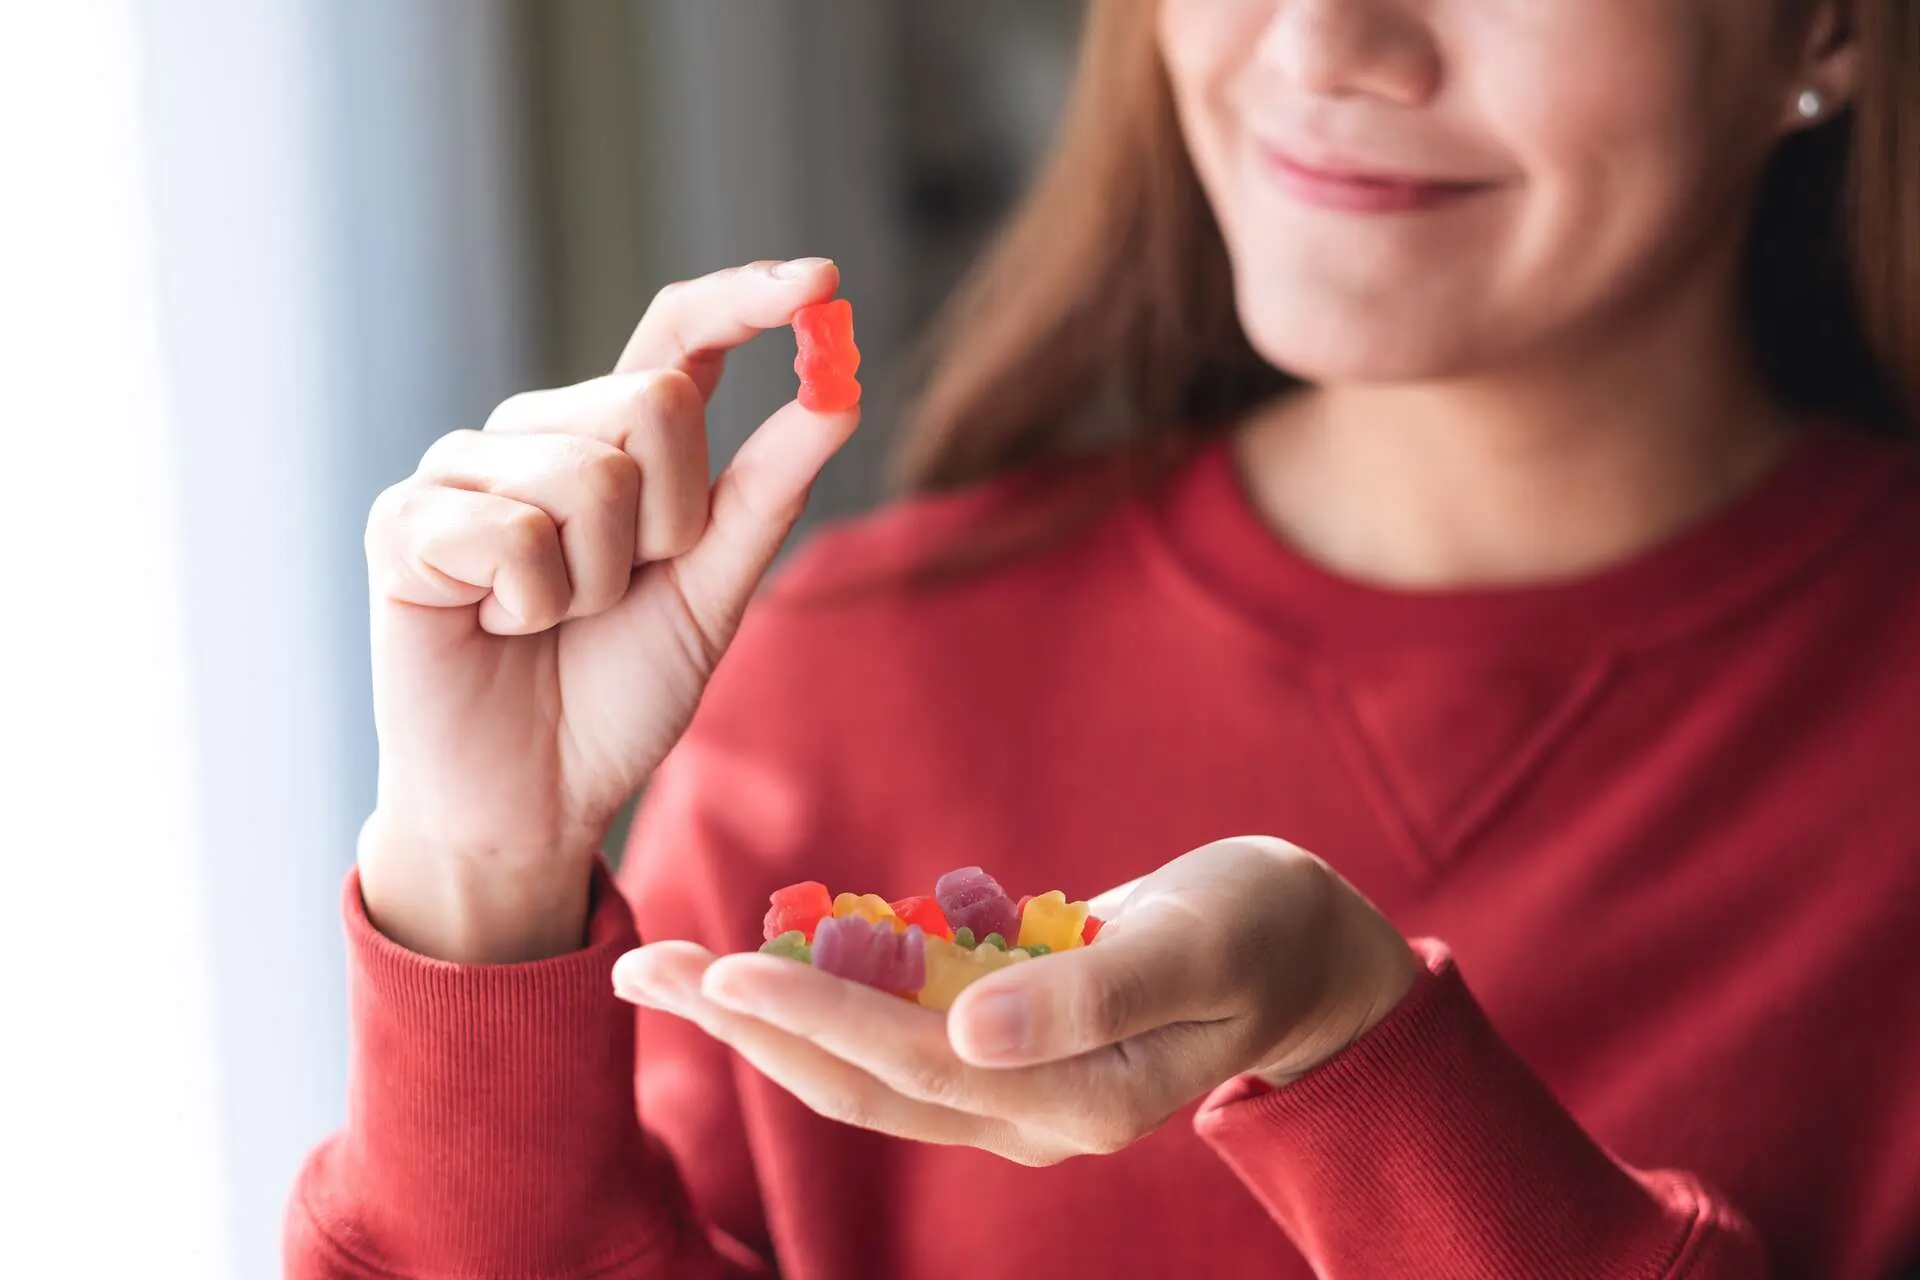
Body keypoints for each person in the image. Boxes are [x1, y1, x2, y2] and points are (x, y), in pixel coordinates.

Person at [288, 1, 1920, 1276]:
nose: (1325, 42)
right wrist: (484, 883)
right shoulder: (852, 680)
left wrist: (1363, 1065)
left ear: (1829, 23)